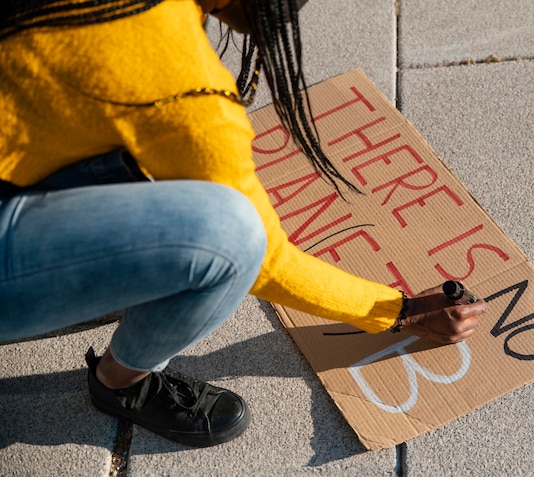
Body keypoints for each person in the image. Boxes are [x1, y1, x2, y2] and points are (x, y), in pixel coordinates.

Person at [0, 0, 486, 447]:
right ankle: (120, 384)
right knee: (229, 237)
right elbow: (265, 261)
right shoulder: (183, 88)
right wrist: (398, 311)